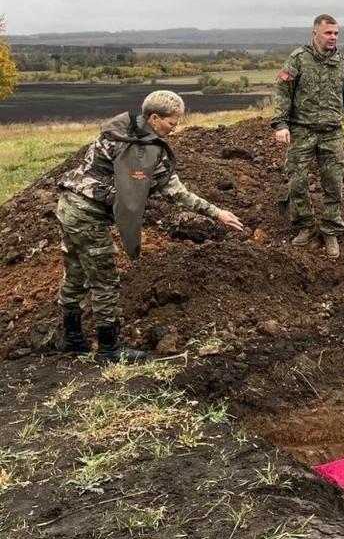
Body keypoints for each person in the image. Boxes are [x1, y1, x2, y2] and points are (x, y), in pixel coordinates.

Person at [54, 91, 245, 363]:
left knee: (75, 273)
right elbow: (177, 192)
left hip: (68, 206)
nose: (175, 129)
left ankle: (71, 337)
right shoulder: (145, 151)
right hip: (88, 216)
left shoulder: (118, 131)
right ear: (154, 119)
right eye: (171, 123)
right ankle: (109, 349)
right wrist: (216, 213)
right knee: (105, 280)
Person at [271, 13, 344, 258]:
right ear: (315, 34)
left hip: (332, 133)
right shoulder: (298, 59)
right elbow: (283, 92)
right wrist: (281, 124)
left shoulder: (342, 64)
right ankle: (305, 226)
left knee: (333, 183)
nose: (333, 37)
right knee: (298, 181)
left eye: (336, 33)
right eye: (328, 33)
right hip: (301, 130)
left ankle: (331, 231)